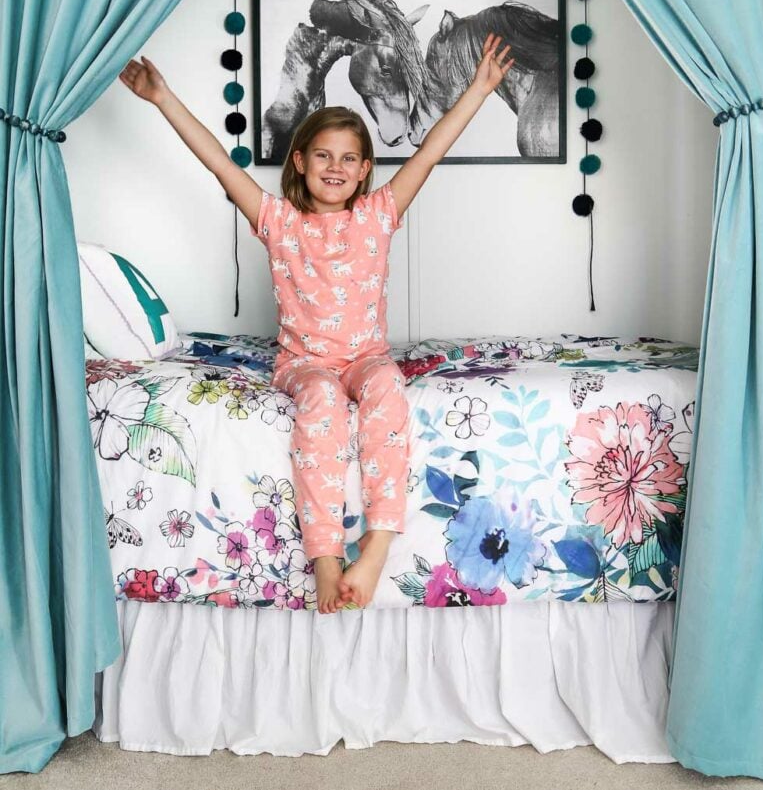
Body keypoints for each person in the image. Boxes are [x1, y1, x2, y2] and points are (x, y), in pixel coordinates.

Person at [118, 33, 514, 613]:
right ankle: (326, 560)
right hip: (305, 364)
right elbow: (219, 163)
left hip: (367, 357)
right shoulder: (277, 220)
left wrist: (478, 90)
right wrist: (163, 97)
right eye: (323, 155)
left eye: (349, 158)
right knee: (323, 403)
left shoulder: (379, 215)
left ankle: (376, 549)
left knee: (387, 389)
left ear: (364, 170)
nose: (336, 167)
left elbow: (429, 151)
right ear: (300, 162)